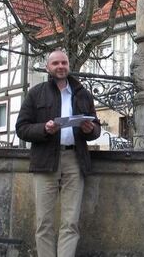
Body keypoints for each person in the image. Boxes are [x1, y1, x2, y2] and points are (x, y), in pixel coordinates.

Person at [16, 50, 101, 257]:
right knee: (44, 222)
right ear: (48, 68)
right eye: (55, 63)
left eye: (64, 62)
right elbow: (21, 128)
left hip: (75, 160)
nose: (60, 66)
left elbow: (96, 129)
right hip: (46, 160)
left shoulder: (82, 93)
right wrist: (44, 129)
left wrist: (91, 130)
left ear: (68, 65)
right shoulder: (36, 93)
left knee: (71, 221)